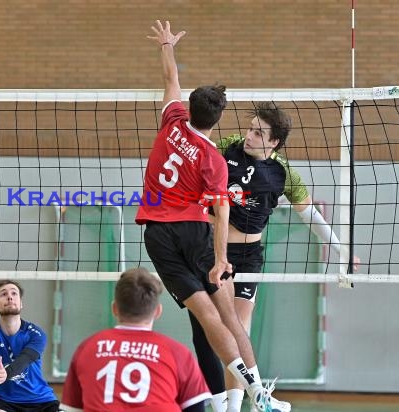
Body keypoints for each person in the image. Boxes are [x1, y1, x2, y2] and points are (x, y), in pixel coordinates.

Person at [134, 20, 289, 412]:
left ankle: (243, 398)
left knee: (207, 317)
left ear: (188, 108)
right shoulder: (214, 160)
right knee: (229, 316)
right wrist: (221, 259)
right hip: (194, 232)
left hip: (156, 233)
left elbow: (170, 78)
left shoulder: (171, 120)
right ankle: (258, 394)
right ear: (217, 121)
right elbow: (221, 214)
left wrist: (166, 46)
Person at [190, 102, 361, 412]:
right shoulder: (228, 146)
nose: (249, 135)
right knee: (212, 329)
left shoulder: (284, 174)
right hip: (214, 250)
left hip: (249, 255)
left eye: (259, 132)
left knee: (239, 328)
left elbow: (311, 217)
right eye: (251, 128)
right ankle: (232, 402)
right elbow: (198, 152)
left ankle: (236, 406)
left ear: (274, 142)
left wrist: (343, 251)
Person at [60, 267, 211, 412]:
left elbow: (73, 408)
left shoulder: (87, 348)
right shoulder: (178, 353)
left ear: (114, 308)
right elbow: (195, 408)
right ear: (158, 311)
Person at [0, 279, 60, 412]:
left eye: (14, 293)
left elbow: (25, 358)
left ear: (21, 303)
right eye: (3, 294)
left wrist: (6, 373)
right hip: (3, 401)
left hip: (41, 400)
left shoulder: (36, 334)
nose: (9, 297)